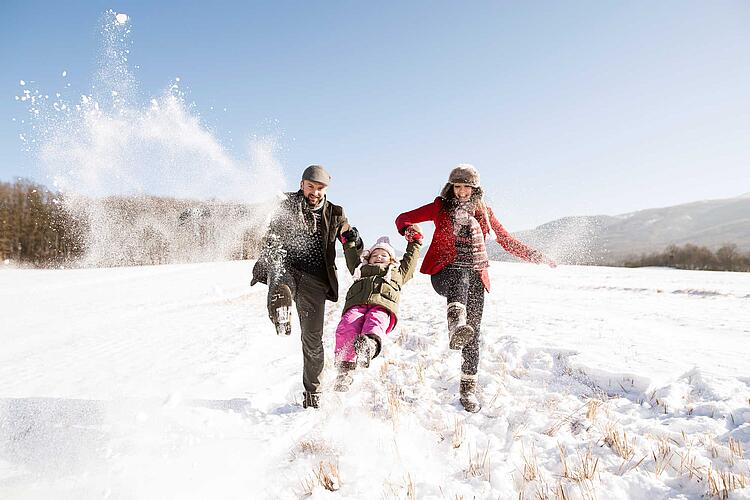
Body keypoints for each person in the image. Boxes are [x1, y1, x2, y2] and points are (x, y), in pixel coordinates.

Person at [395, 164, 556, 413]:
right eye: (457, 187)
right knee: (461, 275)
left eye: (466, 187)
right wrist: (410, 232)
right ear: (451, 188)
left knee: (473, 333)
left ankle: (468, 389)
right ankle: (454, 322)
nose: (461, 192)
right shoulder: (440, 207)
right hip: (444, 273)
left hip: (476, 275)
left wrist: (537, 256)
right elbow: (403, 218)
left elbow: (506, 240)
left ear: (475, 189)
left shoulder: (484, 212)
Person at [251, 165, 362, 409]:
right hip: (288, 267)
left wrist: (353, 241)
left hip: (316, 281)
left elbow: (348, 239)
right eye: (310, 186)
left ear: (326, 189)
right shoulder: (286, 203)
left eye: (320, 188)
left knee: (312, 340)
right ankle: (280, 309)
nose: (315, 192)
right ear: (302, 184)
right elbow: (263, 225)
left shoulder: (336, 213)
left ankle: (313, 395)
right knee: (279, 277)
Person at [333, 228, 423, 392]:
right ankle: (344, 370)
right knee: (346, 326)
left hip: (382, 306)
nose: (379, 257)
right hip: (357, 305)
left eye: (383, 255)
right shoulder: (360, 269)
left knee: (375, 322)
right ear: (368, 258)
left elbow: (410, 260)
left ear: (391, 259)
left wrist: (415, 241)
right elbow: (351, 257)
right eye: (375, 255)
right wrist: (349, 242)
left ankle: (370, 345)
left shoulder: (398, 272)